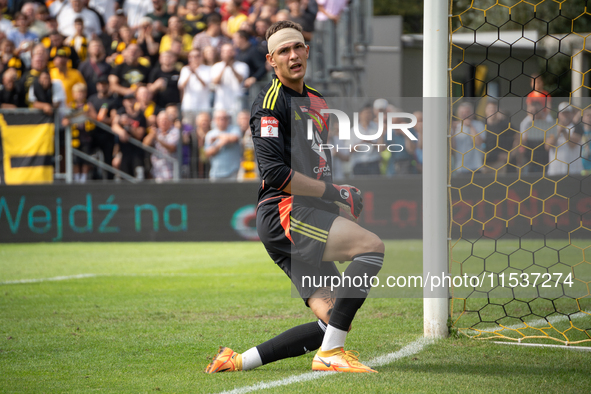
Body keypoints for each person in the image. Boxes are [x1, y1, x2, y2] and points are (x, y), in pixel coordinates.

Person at [205, 20, 382, 374]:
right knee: (370, 247)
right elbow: (275, 175)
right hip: (284, 213)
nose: (293, 55)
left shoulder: (317, 101)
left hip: (304, 212)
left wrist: (336, 202)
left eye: (297, 47)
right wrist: (336, 192)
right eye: (283, 51)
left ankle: (238, 361)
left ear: (306, 50)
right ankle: (331, 357)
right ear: (272, 61)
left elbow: (319, 164)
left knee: (331, 320)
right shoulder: (269, 104)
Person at [546, 102, 583, 176]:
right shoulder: (552, 128)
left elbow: (572, 144)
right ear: (559, 114)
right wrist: (558, 132)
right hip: (555, 171)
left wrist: (565, 132)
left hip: (574, 171)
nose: (565, 115)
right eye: (563, 113)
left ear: (572, 114)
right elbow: (548, 146)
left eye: (568, 113)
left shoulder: (578, 127)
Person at [204, 109, 242, 180]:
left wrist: (218, 136)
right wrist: (220, 143)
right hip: (215, 173)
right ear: (214, 120)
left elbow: (234, 138)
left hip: (233, 172)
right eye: (219, 118)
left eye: (224, 118)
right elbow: (206, 153)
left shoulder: (235, 129)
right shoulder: (210, 134)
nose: (222, 120)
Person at [210, 42, 249, 112]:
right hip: (221, 105)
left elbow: (240, 79)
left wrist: (231, 67)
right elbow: (215, 82)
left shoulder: (242, 65)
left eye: (229, 51)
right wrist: (225, 66)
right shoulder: (216, 66)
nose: (227, 54)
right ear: (221, 53)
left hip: (237, 104)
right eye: (225, 51)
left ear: (234, 52)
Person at [144, 110, 180, 181]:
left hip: (171, 172)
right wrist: (151, 135)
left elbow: (172, 148)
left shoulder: (175, 131)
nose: (163, 122)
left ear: (170, 121)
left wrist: (158, 138)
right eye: (160, 120)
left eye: (165, 120)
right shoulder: (156, 132)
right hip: (157, 172)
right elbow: (144, 145)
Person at [451, 101, 486, 174]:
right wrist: (452, 132)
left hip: (476, 166)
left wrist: (471, 126)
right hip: (460, 167)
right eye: (462, 112)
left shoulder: (478, 125)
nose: (464, 114)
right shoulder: (455, 126)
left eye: (467, 112)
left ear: (472, 113)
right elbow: (452, 148)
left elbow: (479, 142)